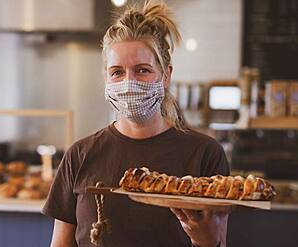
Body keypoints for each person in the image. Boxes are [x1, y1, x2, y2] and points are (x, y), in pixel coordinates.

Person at [42, 1, 229, 246]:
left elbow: (219, 242)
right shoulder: (79, 156)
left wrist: (207, 242)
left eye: (142, 70)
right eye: (117, 72)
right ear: (106, 78)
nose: (129, 84)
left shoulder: (204, 154)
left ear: (166, 75)